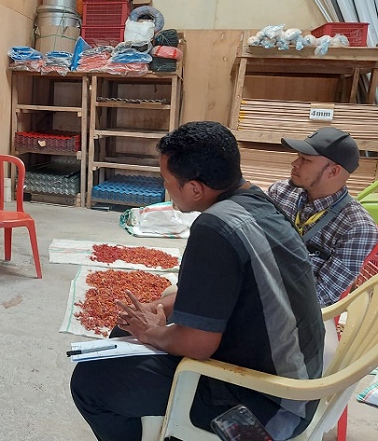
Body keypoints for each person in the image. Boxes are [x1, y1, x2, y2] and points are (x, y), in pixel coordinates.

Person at [70, 121, 324, 441]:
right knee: (127, 330)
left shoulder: (214, 227)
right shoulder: (258, 201)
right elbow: (218, 290)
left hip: (266, 408)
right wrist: (157, 308)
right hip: (295, 385)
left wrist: (153, 333)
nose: (166, 188)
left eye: (167, 181)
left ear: (194, 188)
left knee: (89, 382)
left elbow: (197, 345)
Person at [267, 127, 378, 307]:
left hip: (289, 309)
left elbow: (321, 295)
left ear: (333, 171)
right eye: (298, 156)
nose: (295, 163)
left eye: (306, 160)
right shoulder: (281, 192)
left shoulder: (357, 227)